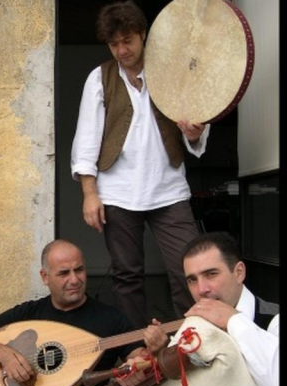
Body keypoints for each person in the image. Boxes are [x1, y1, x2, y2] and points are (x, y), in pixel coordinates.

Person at [70, 0, 209, 329]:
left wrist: (194, 133)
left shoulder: (172, 72)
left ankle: (193, 341)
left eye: (127, 41)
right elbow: (86, 139)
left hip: (169, 189)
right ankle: (134, 349)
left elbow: (195, 129)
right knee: (127, 276)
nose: (121, 50)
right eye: (113, 44)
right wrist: (90, 194)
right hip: (118, 192)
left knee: (188, 269)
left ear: (143, 34)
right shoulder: (99, 78)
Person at [0, 239, 169, 386]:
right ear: (45, 277)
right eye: (64, 273)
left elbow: (141, 360)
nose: (74, 280)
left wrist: (155, 351)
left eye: (79, 270)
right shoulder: (26, 313)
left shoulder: (111, 318)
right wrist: (3, 354)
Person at [181, 232, 279, 386]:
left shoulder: (275, 320)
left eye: (211, 274)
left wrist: (233, 320)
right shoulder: (194, 325)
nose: (201, 289)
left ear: (239, 272)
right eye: (192, 280)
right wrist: (161, 354)